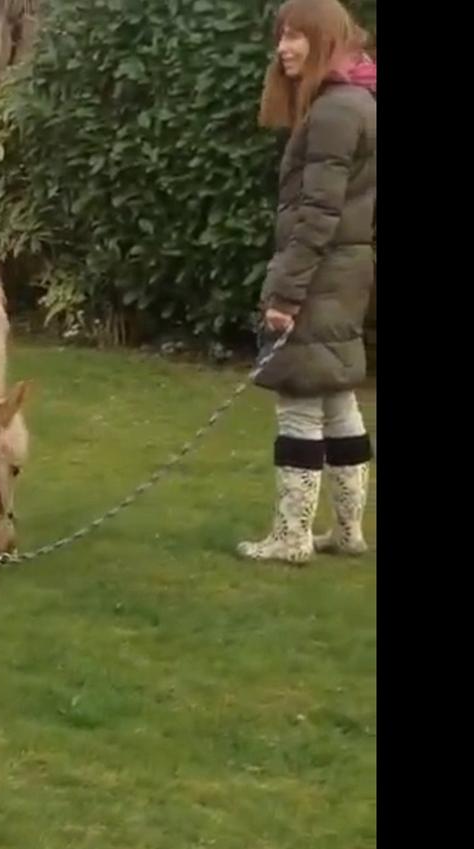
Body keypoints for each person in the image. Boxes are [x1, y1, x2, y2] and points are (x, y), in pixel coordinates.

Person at [237, 0, 376, 564]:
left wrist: (285, 293)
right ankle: (347, 533)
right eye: (281, 36)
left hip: (319, 273)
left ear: (323, 39)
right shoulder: (357, 99)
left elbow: (317, 212)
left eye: (296, 36)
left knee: (299, 396)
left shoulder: (335, 112)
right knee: (337, 394)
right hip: (345, 270)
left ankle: (291, 538)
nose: (283, 48)